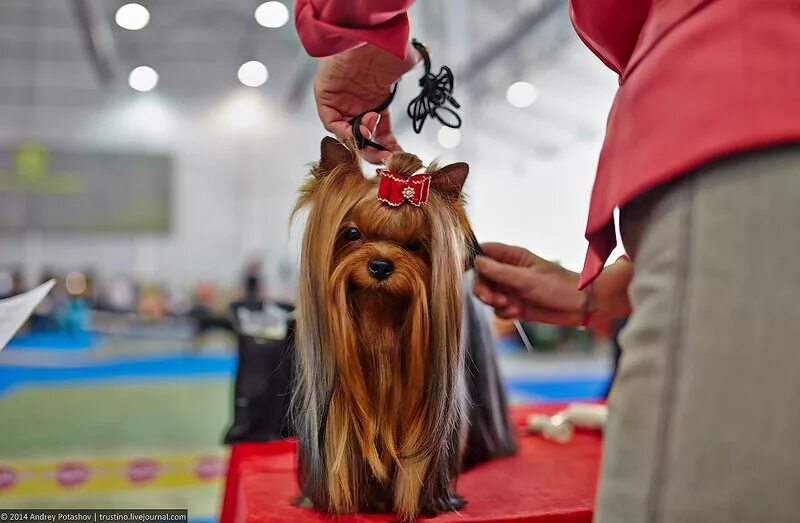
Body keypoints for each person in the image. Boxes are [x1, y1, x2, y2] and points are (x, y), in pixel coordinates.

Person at [293, 1, 800, 521]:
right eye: (354, 237)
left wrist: (358, 23)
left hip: (745, 101)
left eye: (415, 247)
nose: (379, 260)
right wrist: (603, 292)